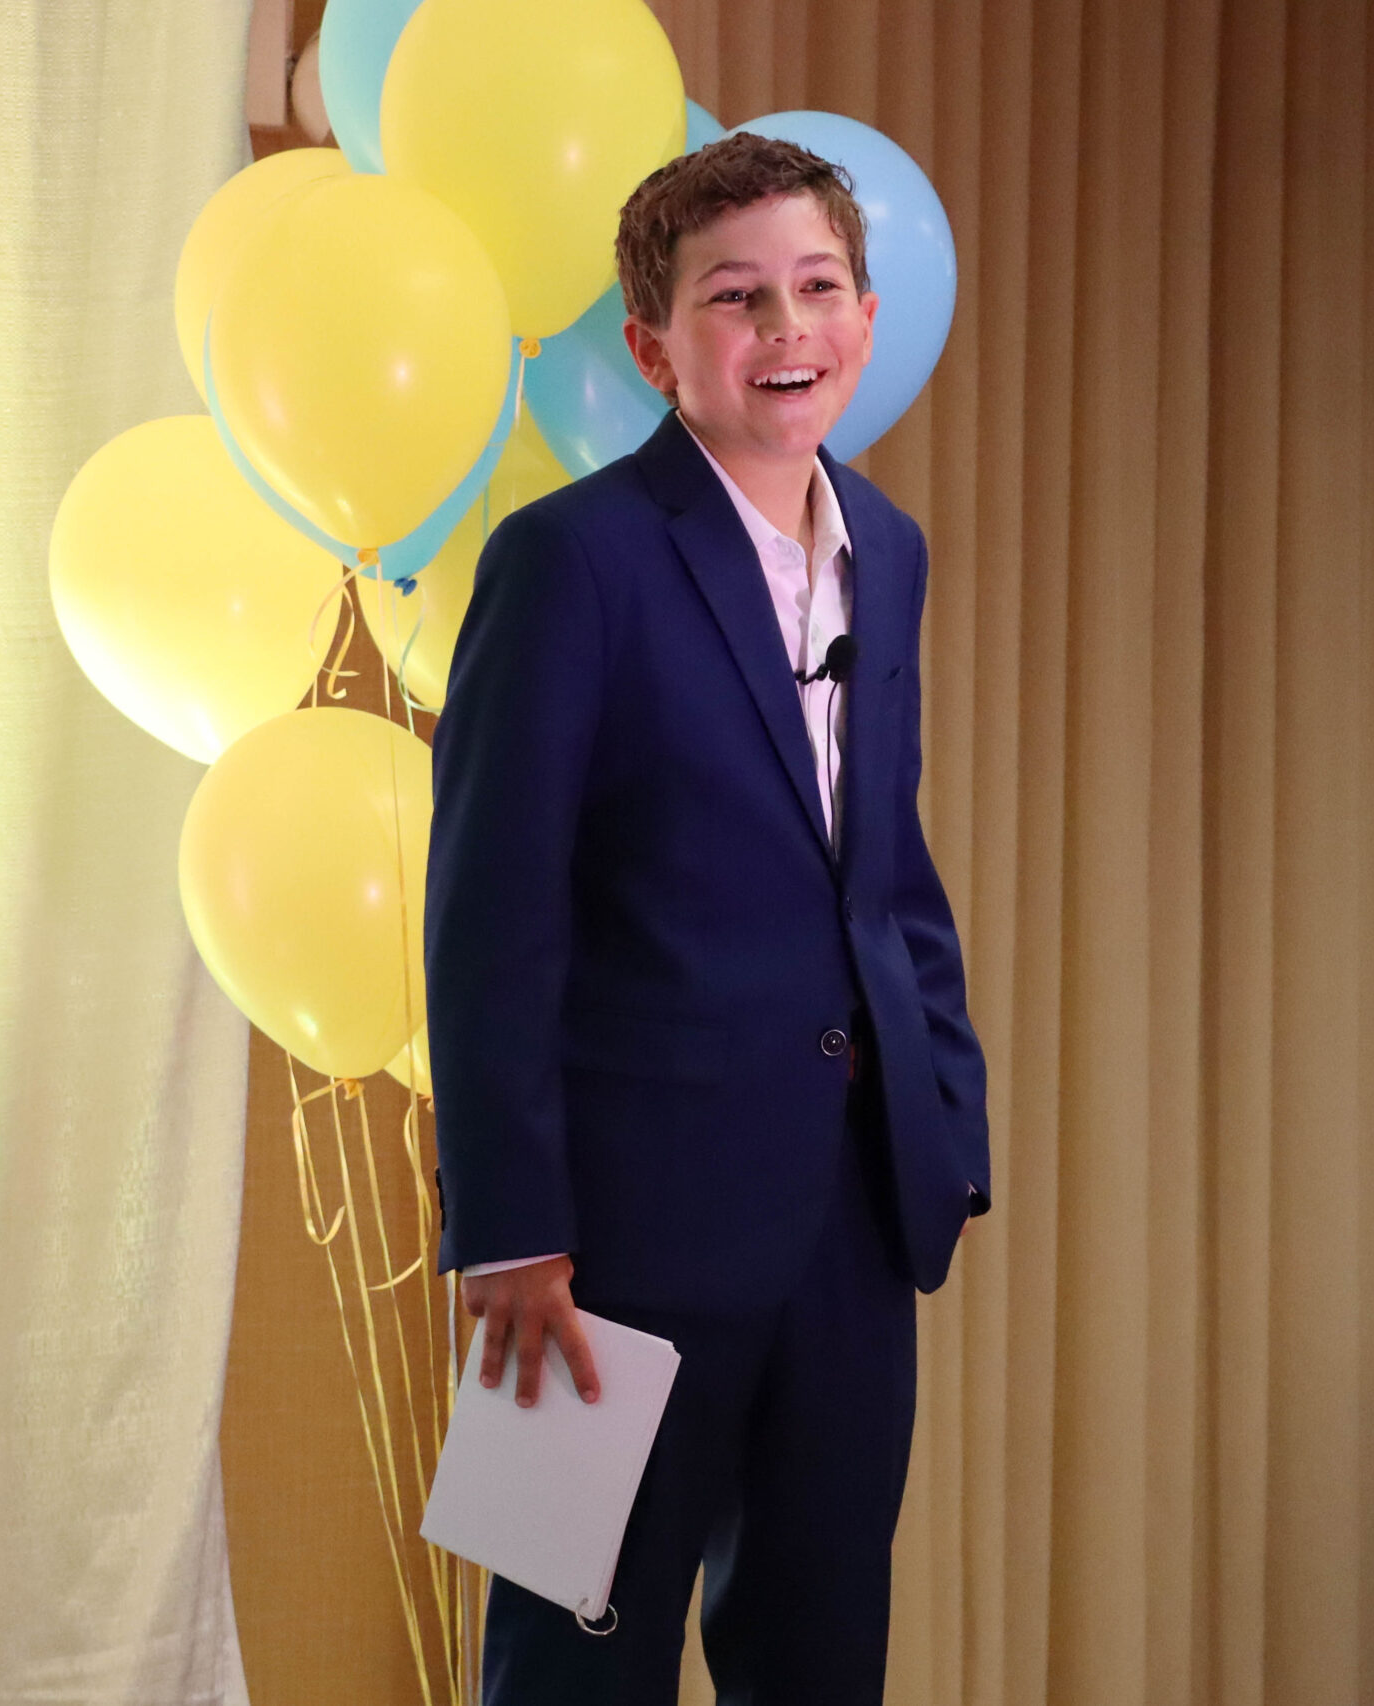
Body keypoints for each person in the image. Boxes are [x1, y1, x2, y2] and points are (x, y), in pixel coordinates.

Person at [424, 132, 992, 1705]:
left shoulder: (890, 549)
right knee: (562, 1668)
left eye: (818, 287)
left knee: (820, 1658)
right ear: (654, 347)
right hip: (593, 1252)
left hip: (851, 1223)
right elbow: (488, 916)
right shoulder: (563, 560)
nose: (786, 327)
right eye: (737, 298)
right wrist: (509, 1225)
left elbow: (885, 866)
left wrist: (946, 1116)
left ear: (866, 316)